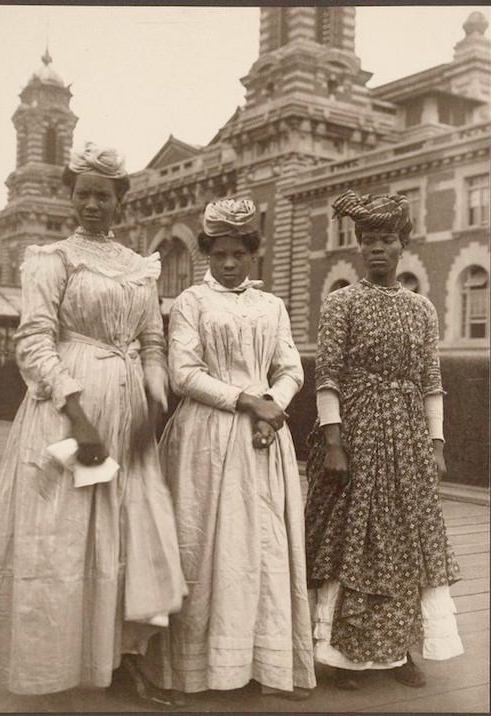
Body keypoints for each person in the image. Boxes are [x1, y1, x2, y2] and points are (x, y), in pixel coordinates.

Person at [0, 142, 187, 702]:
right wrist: (75, 411)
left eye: (103, 195)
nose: (92, 204)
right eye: (83, 193)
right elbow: (35, 340)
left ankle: (124, 657)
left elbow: (153, 340)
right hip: (69, 410)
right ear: (72, 197)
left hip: (128, 408)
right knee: (63, 536)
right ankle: (53, 661)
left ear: (120, 200)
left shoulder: (141, 267)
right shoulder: (51, 257)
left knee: (130, 535)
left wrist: (156, 392)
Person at [141, 199, 316, 700]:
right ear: (207, 254)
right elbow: (183, 374)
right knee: (208, 547)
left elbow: (290, 369)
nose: (230, 263)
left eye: (239, 253)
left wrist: (272, 407)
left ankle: (264, 664)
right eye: (220, 254)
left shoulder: (272, 306)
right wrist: (246, 403)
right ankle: (204, 670)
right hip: (207, 435)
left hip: (264, 439)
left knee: (262, 546)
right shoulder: (192, 302)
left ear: (253, 253)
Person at [305, 190, 463, 690]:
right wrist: (334, 442)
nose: (378, 248)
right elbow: (327, 374)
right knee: (353, 538)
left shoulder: (421, 308)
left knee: (405, 540)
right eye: (369, 240)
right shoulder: (341, 302)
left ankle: (400, 652)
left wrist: (435, 443)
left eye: (387, 240)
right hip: (355, 431)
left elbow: (431, 378)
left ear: (402, 246)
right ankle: (339, 654)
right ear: (358, 246)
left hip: (407, 437)